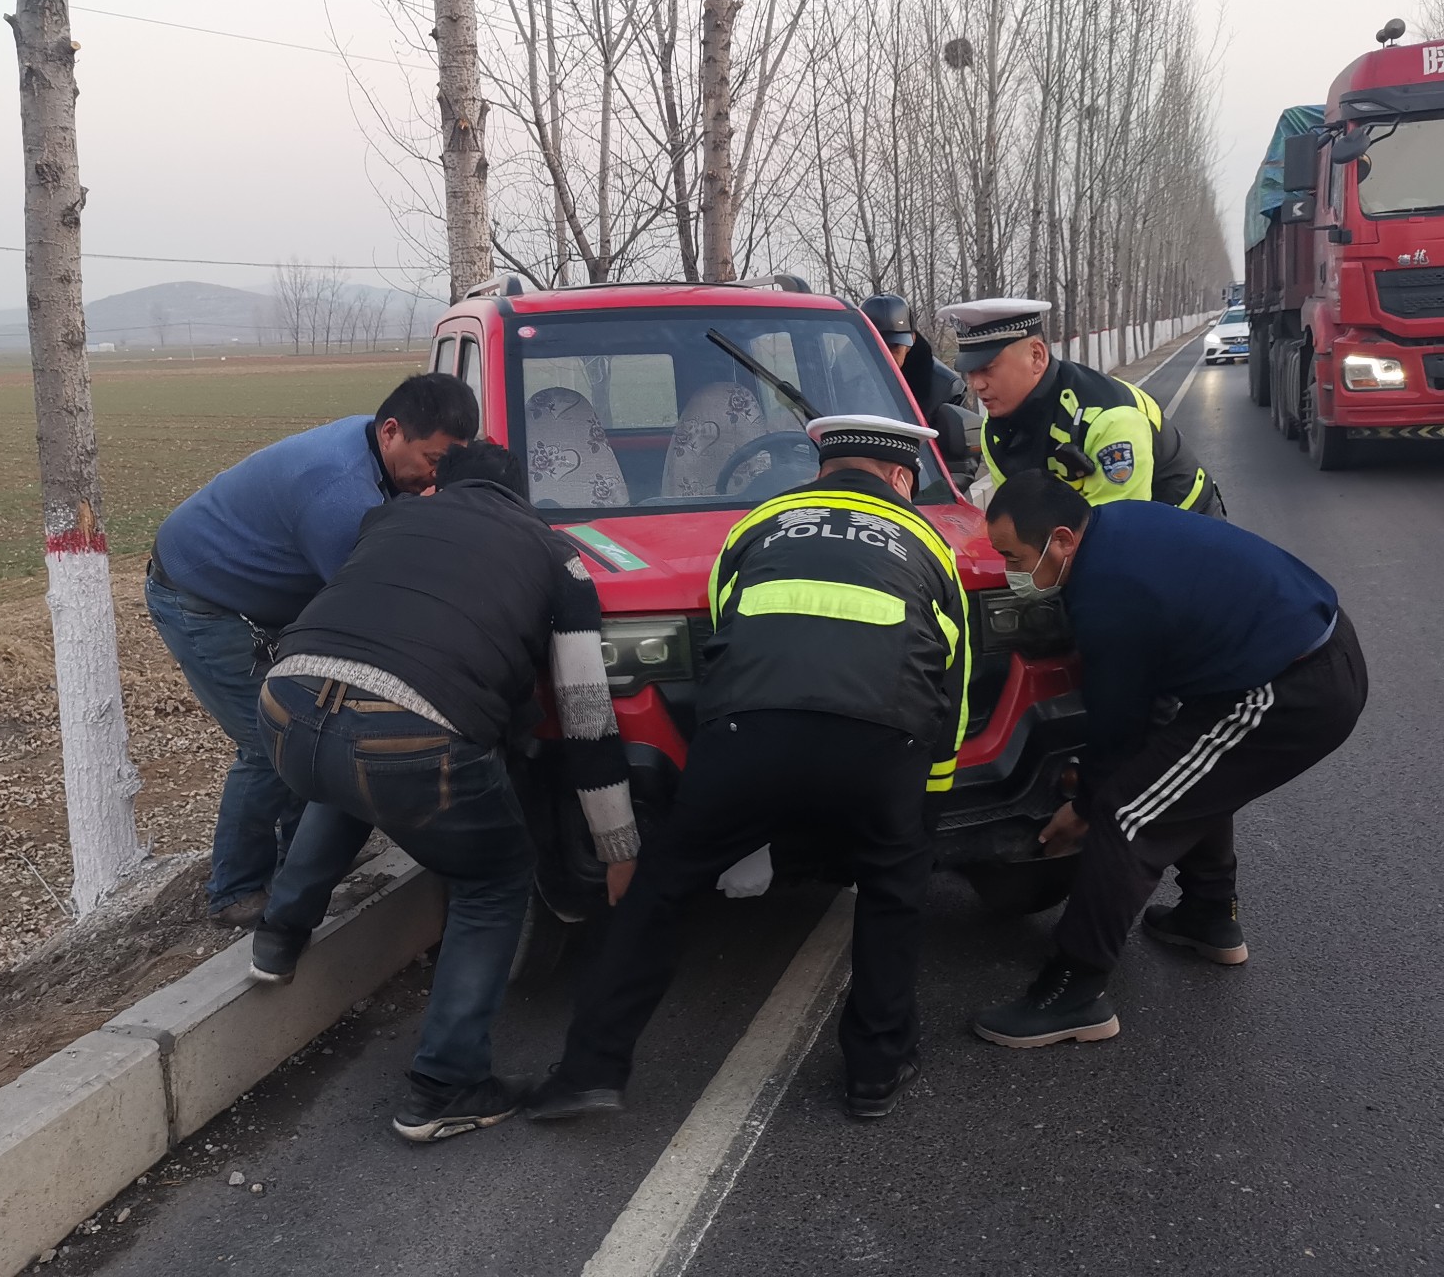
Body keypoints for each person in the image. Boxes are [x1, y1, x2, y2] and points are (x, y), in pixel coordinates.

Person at [527, 415, 969, 1124]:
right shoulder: (927, 542)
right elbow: (953, 683)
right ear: (900, 478)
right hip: (881, 740)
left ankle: (589, 1071)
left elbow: (721, 637)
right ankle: (875, 1072)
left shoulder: (757, 524)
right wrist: (927, 808)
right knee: (894, 887)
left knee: (662, 888)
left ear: (822, 470)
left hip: (749, 733)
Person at [249, 438, 638, 1143]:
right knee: (494, 878)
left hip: (285, 705)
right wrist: (617, 846)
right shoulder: (558, 558)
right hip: (412, 735)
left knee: (347, 772)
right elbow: (586, 715)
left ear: (437, 488)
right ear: (523, 498)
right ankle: (445, 1086)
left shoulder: (387, 520)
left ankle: (278, 936)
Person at [969, 474, 1368, 1049]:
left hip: (1292, 687)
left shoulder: (1107, 593)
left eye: (1014, 557)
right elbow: (1150, 707)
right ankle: (1208, 914)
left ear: (1061, 540)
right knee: (1185, 773)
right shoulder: (1115, 524)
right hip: (1299, 649)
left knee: (1127, 814)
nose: (1011, 571)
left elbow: (1117, 723)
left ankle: (1073, 992)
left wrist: (1084, 806)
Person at [146, 373, 479, 927]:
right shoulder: (339, 493)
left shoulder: (377, 452)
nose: (436, 477)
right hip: (202, 600)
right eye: (432, 460)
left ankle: (295, 869)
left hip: (267, 597)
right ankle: (235, 892)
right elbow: (366, 611)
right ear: (391, 431)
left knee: (307, 730)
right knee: (271, 743)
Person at [944, 297, 1224, 515]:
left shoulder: (1108, 418)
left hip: (1185, 526)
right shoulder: (994, 433)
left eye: (987, 369)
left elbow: (1118, 533)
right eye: (970, 372)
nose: (976, 385)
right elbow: (1021, 519)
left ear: (1036, 356)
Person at [863, 293, 974, 446]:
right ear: (862, 345)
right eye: (878, 347)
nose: (887, 355)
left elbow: (959, 451)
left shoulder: (946, 389)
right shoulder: (840, 380)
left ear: (912, 340)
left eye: (895, 347)